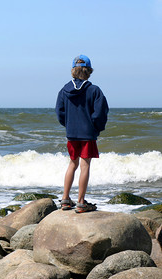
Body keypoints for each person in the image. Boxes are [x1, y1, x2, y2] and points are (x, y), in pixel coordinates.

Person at [55, 54, 109, 213]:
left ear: (73, 70)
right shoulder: (94, 90)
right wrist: (95, 128)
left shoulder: (64, 90)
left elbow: (59, 112)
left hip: (72, 134)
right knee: (85, 165)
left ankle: (65, 199)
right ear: (89, 71)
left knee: (72, 163)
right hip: (87, 134)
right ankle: (80, 202)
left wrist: (68, 125)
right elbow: (100, 113)